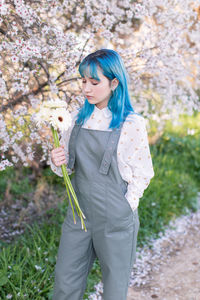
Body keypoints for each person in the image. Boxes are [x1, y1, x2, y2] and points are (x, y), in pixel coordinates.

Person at [49, 49, 154, 300]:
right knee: (65, 281)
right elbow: (67, 167)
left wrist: (125, 206)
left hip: (115, 216)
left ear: (114, 83)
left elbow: (143, 173)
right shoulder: (75, 119)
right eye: (83, 81)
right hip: (78, 214)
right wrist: (56, 161)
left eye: (94, 82)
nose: (86, 88)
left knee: (114, 288)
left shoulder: (131, 124)